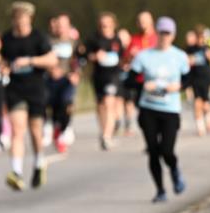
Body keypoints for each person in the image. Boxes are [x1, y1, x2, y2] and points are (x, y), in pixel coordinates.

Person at [128, 16, 190, 203]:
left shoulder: (179, 56)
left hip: (170, 110)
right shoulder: (144, 56)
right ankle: (160, 190)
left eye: (167, 33)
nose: (164, 36)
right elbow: (130, 79)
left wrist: (177, 87)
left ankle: (174, 169)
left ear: (173, 35)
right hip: (148, 109)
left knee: (167, 151)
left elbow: (188, 79)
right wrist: (144, 85)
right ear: (156, 33)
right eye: (161, 32)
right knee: (153, 151)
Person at [0, 1, 56, 190]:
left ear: (29, 19)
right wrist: (4, 68)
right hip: (15, 89)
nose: (20, 22)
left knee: (35, 131)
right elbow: (3, 60)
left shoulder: (39, 37)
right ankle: (16, 172)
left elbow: (52, 59)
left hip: (36, 88)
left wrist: (30, 60)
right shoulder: (7, 38)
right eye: (16, 18)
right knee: (17, 130)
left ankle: (40, 162)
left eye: (23, 19)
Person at [84, 12, 124, 151]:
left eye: (107, 24)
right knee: (101, 105)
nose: (104, 27)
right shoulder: (94, 39)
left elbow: (122, 56)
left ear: (113, 24)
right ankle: (105, 131)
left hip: (113, 76)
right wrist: (94, 56)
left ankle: (107, 136)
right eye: (102, 24)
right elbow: (85, 55)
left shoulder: (117, 39)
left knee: (109, 102)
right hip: (98, 75)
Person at [45, 13, 80, 154]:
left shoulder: (74, 43)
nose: (61, 28)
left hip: (67, 80)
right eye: (58, 25)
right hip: (51, 80)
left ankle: (64, 130)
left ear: (68, 26)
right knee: (53, 108)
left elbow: (79, 61)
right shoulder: (48, 42)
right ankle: (56, 130)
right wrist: (51, 69)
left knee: (67, 104)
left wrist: (76, 73)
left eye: (63, 25)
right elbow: (42, 58)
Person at [122, 11, 158, 136]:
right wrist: (130, 56)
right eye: (140, 21)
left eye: (145, 21)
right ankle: (150, 134)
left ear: (151, 21)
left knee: (155, 108)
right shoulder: (134, 39)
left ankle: (157, 132)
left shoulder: (158, 38)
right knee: (142, 111)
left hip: (155, 80)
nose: (143, 24)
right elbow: (125, 60)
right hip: (138, 80)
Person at [186, 25, 210, 136]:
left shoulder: (207, 48)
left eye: (202, 37)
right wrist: (189, 60)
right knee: (197, 103)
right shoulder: (190, 49)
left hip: (206, 79)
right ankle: (200, 127)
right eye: (198, 36)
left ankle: (209, 117)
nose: (200, 39)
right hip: (195, 79)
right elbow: (186, 61)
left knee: (205, 103)